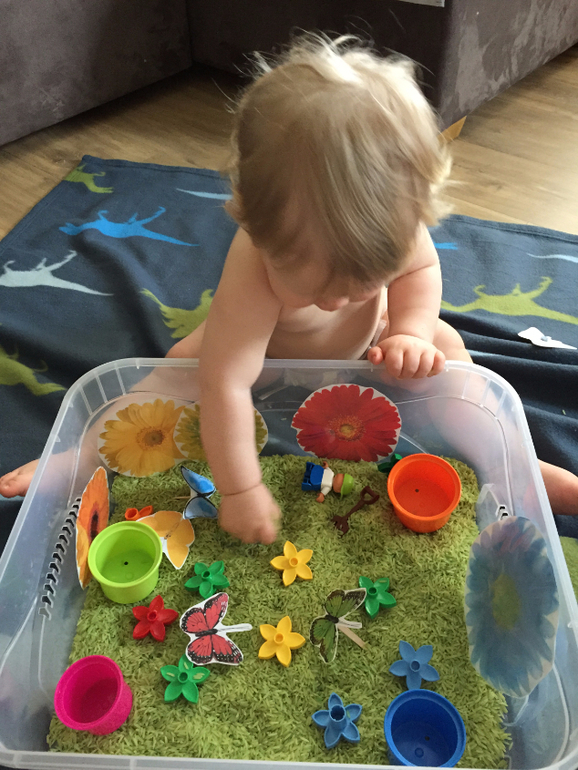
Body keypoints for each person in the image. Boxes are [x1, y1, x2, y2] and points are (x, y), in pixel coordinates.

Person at [1, 35, 577, 537]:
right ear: (253, 223)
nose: (335, 301)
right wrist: (240, 488)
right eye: (315, 288)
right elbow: (227, 382)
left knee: (449, 355)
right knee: (178, 370)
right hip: (269, 349)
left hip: (373, 341)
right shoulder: (253, 265)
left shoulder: (398, 224)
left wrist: (409, 330)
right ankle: (80, 456)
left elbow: (419, 272)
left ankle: (512, 463)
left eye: (361, 281)